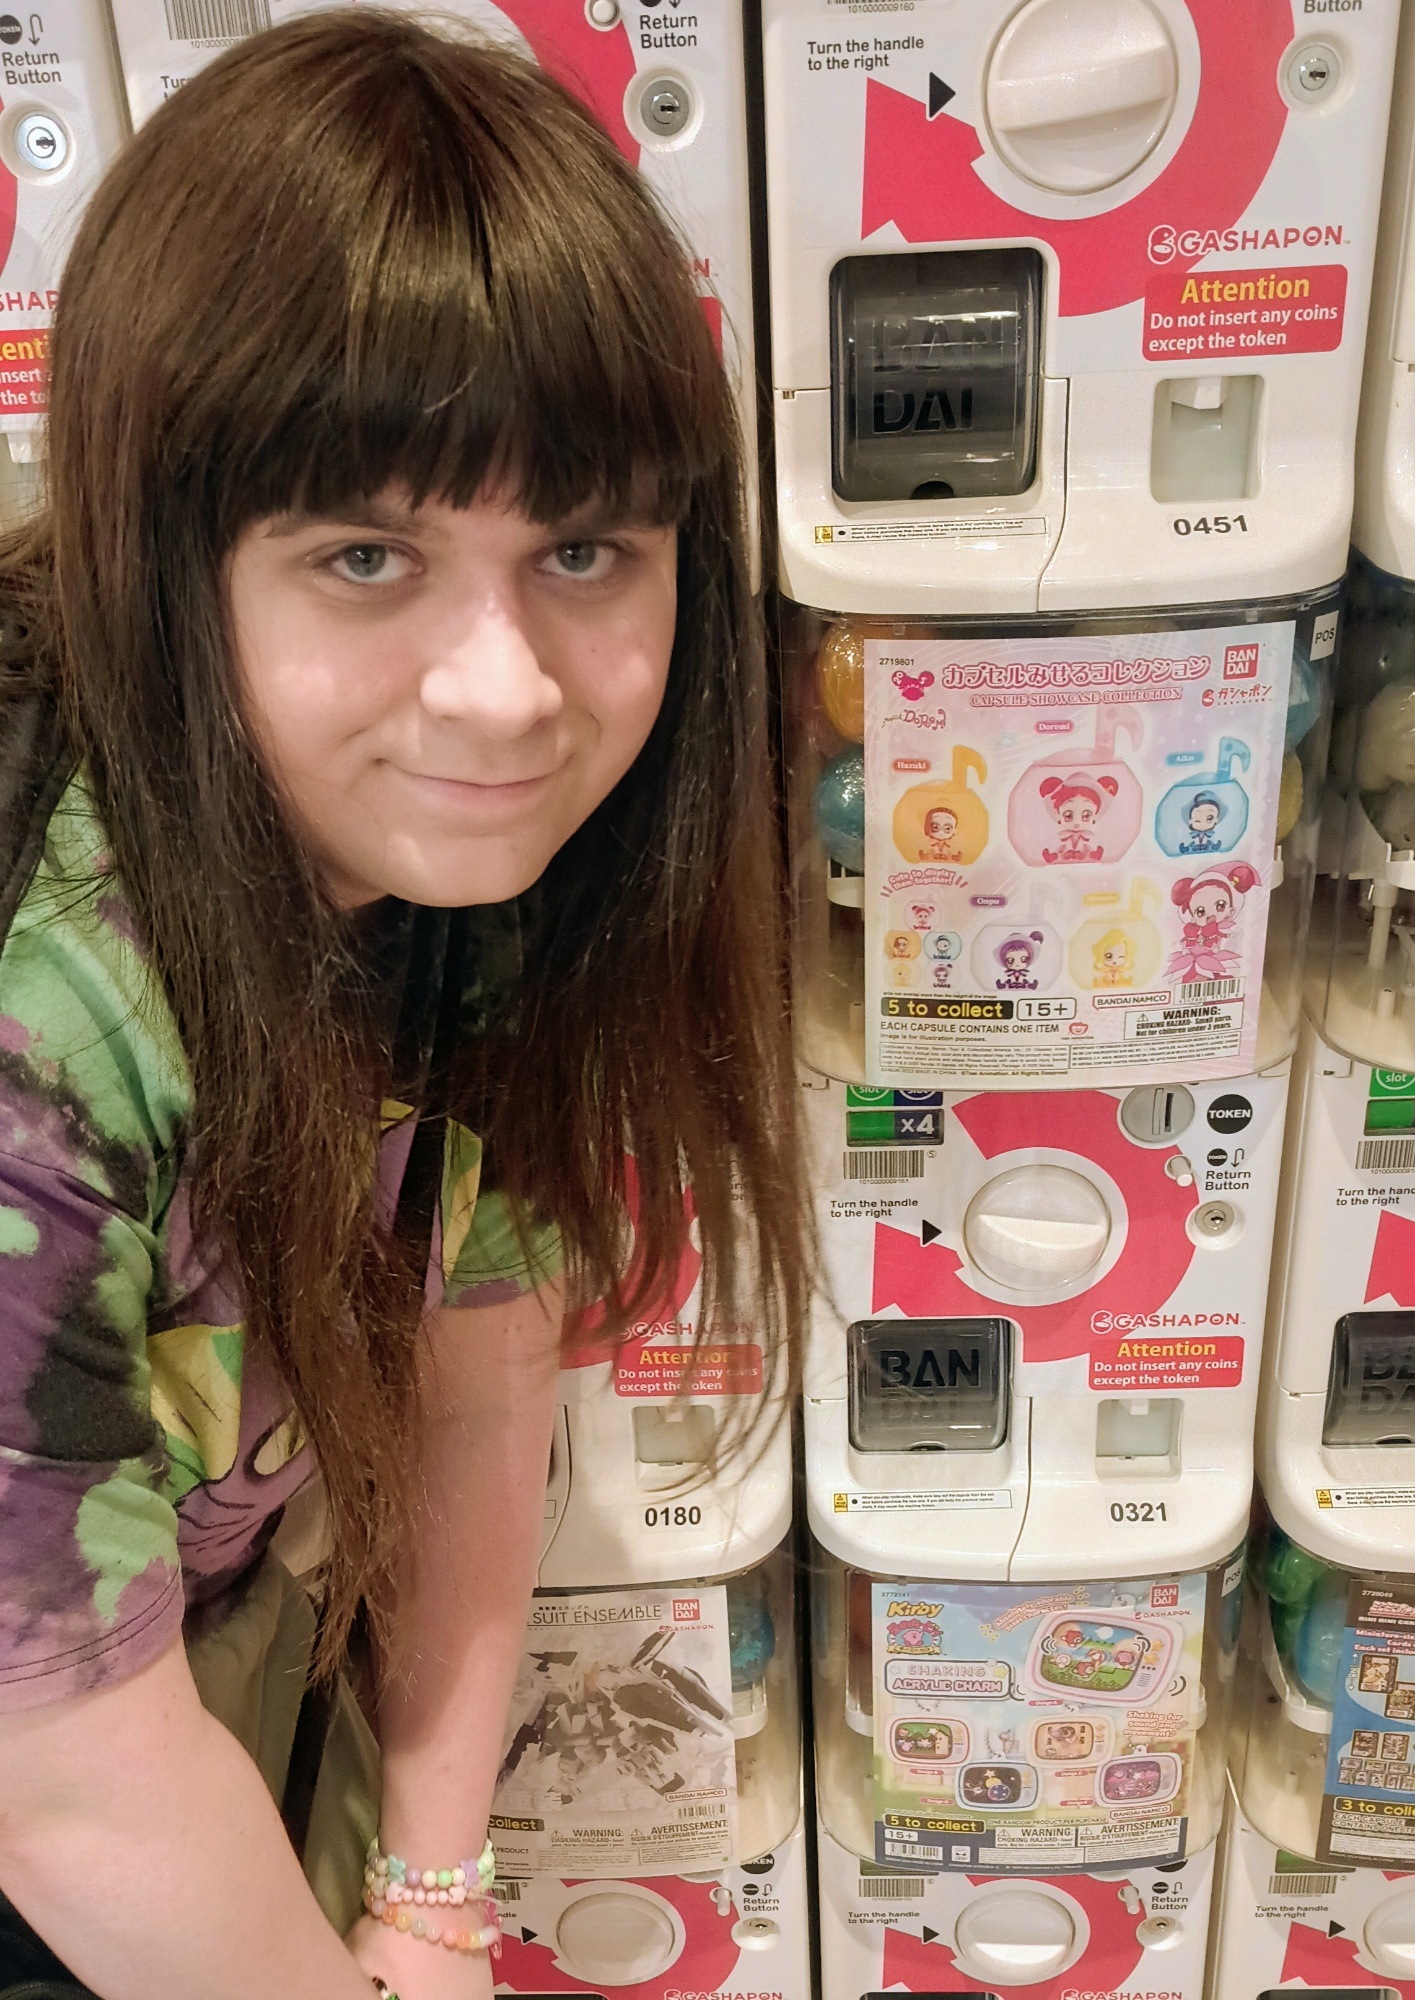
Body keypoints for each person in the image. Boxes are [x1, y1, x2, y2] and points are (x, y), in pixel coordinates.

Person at [0, 15, 808, 2000]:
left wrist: (432, 1896)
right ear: (167, 560)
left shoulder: (457, 861)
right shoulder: (47, 1027)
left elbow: (478, 1363)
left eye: (584, 549)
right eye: (367, 555)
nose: (506, 691)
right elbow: (63, 1786)